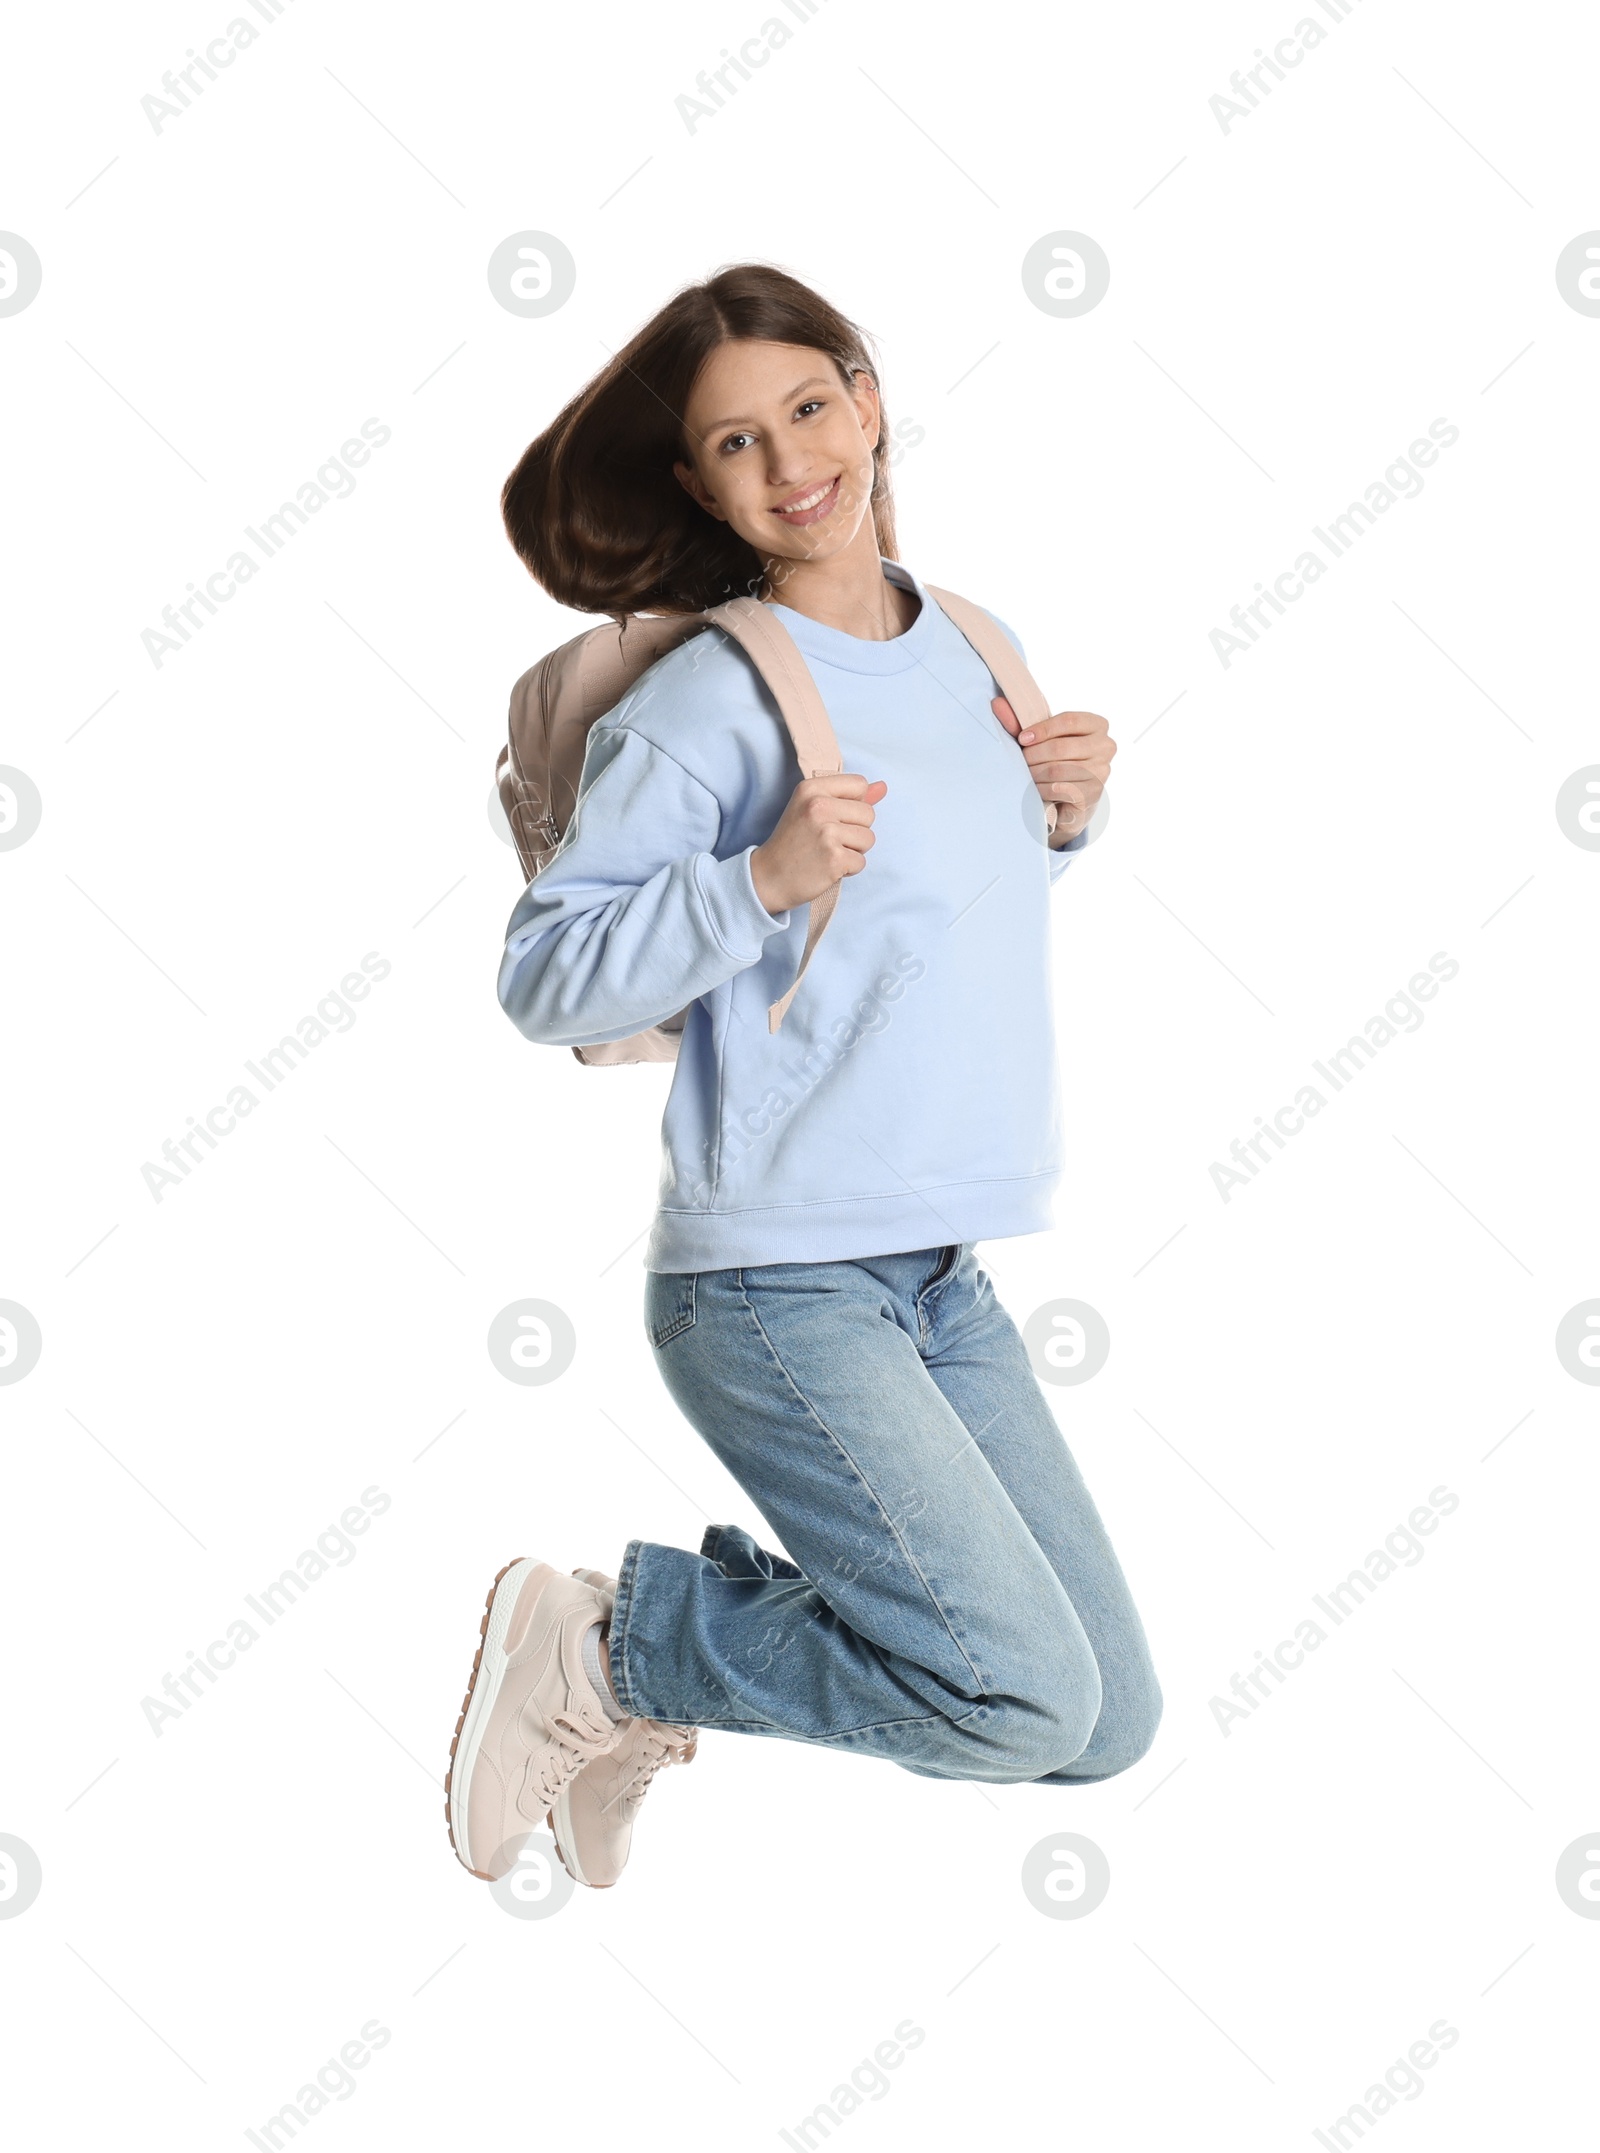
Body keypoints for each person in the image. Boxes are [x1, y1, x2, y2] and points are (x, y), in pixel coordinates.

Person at [445, 263, 1161, 1891]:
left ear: (870, 395)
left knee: (1100, 1717)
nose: (791, 463)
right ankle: (621, 1651)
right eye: (737, 443)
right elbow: (543, 972)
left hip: (937, 1277)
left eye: (810, 408)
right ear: (698, 484)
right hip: (773, 1284)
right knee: (1015, 1689)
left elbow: (925, 940)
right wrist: (751, 882)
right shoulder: (713, 698)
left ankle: (635, 1672)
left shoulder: (980, 642)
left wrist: (1065, 818)